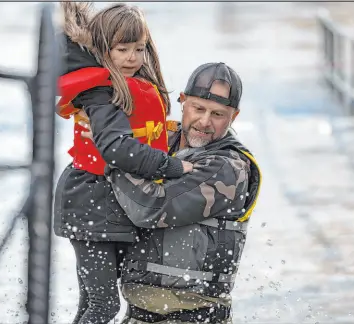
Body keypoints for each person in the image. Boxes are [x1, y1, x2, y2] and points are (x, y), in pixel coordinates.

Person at [53, 3, 193, 324]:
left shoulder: (130, 86)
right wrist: (174, 168)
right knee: (104, 306)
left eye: (139, 49)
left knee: (92, 302)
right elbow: (118, 150)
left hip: (118, 202)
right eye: (122, 49)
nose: (132, 58)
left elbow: (146, 133)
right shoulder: (100, 93)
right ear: (103, 49)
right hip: (89, 202)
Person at [104, 62, 263, 323]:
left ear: (234, 116)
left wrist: (113, 156)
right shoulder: (158, 138)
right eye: (198, 108)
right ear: (182, 101)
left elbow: (152, 208)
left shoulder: (228, 167)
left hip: (193, 316)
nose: (205, 121)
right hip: (138, 314)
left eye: (218, 114)